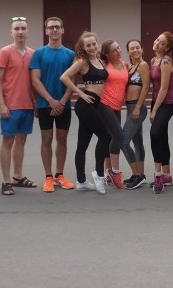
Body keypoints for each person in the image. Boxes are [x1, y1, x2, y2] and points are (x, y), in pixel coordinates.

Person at [30, 17, 76, 193]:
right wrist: (50, 100)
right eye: (51, 27)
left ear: (62, 30)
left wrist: (62, 102)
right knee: (47, 139)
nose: (54, 30)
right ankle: (48, 177)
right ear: (46, 31)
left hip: (64, 104)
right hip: (44, 104)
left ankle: (60, 175)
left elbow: (72, 81)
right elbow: (35, 80)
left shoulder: (70, 55)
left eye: (57, 27)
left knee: (62, 139)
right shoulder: (39, 53)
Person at [59, 31, 109, 194]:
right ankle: (99, 175)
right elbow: (64, 77)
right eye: (88, 45)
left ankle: (81, 181)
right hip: (86, 104)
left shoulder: (99, 59)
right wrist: (80, 93)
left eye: (94, 44)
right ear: (83, 47)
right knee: (105, 136)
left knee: (82, 144)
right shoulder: (82, 61)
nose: (92, 47)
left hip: (95, 104)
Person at [0, 17, 37, 195]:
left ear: (27, 32)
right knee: (7, 141)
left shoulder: (32, 53)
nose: (20, 32)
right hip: (11, 105)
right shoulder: (5, 52)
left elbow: (35, 80)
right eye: (17, 29)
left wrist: (35, 103)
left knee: (21, 141)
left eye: (23, 29)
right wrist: (1, 104)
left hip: (27, 105)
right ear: (11, 32)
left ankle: (18, 176)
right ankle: (6, 180)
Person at [148, 31, 173, 194]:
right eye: (157, 40)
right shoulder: (153, 60)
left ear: (167, 48)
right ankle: (167, 175)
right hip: (156, 102)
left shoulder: (166, 61)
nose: (157, 43)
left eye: (161, 43)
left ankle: (158, 175)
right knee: (161, 136)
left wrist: (154, 110)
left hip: (167, 103)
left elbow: (164, 88)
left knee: (154, 133)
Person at [99, 40, 128, 189]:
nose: (118, 51)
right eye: (114, 50)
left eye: (118, 48)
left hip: (117, 106)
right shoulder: (104, 64)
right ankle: (115, 171)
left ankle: (107, 173)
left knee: (110, 137)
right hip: (104, 104)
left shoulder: (124, 64)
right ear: (107, 54)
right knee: (119, 135)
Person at [122, 39, 150, 189]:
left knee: (123, 141)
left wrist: (138, 107)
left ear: (142, 49)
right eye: (132, 48)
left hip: (137, 107)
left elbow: (145, 87)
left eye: (137, 47)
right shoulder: (130, 67)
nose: (135, 50)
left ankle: (137, 175)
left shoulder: (143, 65)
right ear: (128, 51)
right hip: (130, 107)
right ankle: (140, 174)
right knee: (137, 141)